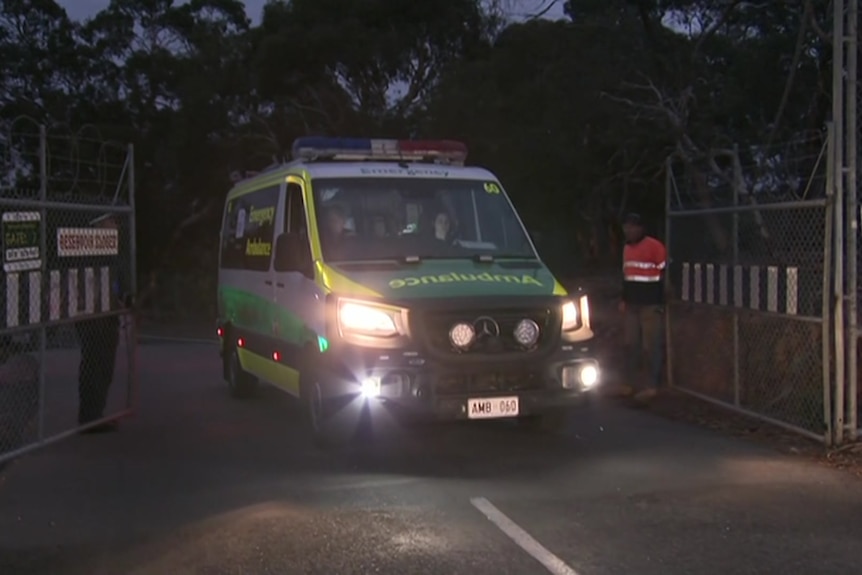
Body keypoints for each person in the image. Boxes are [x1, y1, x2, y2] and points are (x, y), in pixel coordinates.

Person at [75, 212, 130, 433]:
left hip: (109, 315)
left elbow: (118, 282)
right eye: (111, 221)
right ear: (99, 225)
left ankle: (96, 414)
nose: (115, 225)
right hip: (92, 316)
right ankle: (89, 416)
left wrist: (124, 297)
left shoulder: (113, 253)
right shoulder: (89, 251)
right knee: (94, 363)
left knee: (105, 365)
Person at [618, 213, 667, 402]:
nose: (628, 231)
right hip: (632, 304)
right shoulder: (627, 249)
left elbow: (664, 274)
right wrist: (624, 299)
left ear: (640, 228)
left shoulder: (655, 247)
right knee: (630, 344)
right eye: (626, 227)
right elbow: (627, 276)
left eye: (632, 227)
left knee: (650, 345)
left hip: (650, 304)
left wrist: (661, 301)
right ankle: (629, 384)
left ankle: (651, 385)